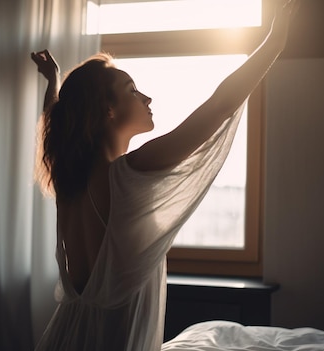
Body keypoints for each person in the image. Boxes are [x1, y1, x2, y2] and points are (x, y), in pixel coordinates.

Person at [31, 1, 298, 350]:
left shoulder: (69, 182)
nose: (147, 97)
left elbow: (56, 118)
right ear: (107, 110)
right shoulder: (128, 173)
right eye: (132, 90)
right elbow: (218, 106)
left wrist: (54, 81)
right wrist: (275, 41)